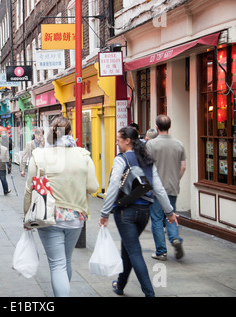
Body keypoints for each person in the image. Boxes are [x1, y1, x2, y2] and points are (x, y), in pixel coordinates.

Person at [99, 126, 177, 297]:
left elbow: (113, 185)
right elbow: (158, 188)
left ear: (127, 141)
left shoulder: (122, 159)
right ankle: (120, 285)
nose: (116, 143)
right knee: (128, 248)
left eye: (119, 140)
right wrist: (169, 211)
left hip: (125, 212)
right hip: (144, 212)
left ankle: (150, 293)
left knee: (133, 251)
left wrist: (105, 212)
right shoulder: (147, 159)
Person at [24, 117, 99, 297]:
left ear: (50, 133)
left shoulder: (40, 155)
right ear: (71, 133)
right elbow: (94, 187)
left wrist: (26, 215)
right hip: (75, 218)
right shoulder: (83, 155)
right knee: (65, 260)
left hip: (47, 216)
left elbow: (29, 190)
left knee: (57, 264)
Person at [146, 115, 186, 261]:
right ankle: (174, 238)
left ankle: (161, 251)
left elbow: (147, 167)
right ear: (169, 126)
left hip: (156, 189)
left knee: (157, 218)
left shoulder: (151, 145)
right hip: (172, 186)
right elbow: (183, 167)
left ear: (156, 127)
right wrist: (176, 179)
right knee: (171, 214)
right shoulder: (179, 144)